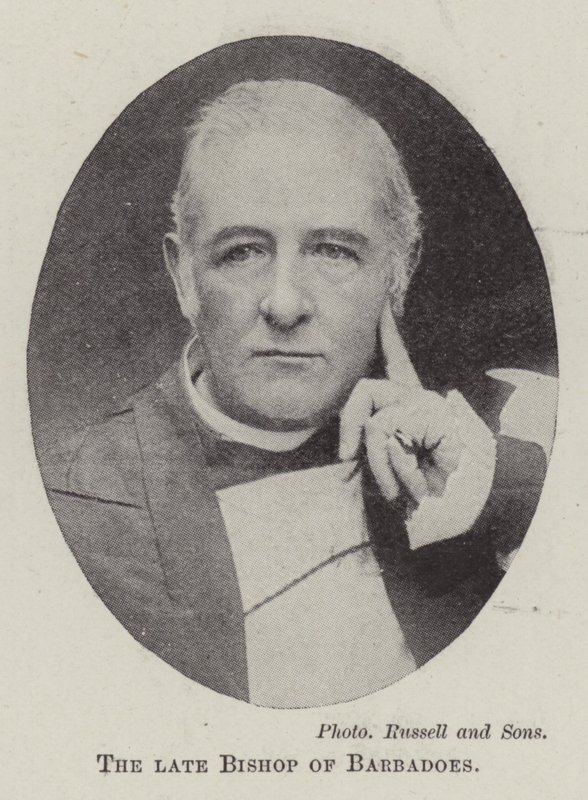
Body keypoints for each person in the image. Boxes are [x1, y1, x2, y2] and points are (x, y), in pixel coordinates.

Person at [45, 80, 548, 707]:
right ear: (184, 277)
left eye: (333, 252)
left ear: (399, 272)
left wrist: (486, 485)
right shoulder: (68, 501)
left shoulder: (478, 457)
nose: (284, 304)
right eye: (242, 252)